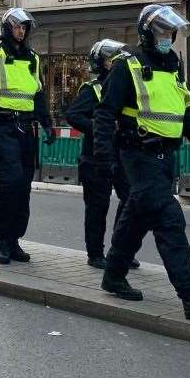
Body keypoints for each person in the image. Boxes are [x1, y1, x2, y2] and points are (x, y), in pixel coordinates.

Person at [93, 5, 190, 320]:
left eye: (171, 32)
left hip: (167, 157)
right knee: (169, 218)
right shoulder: (128, 65)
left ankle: (113, 274)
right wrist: (103, 154)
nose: (168, 38)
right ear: (147, 33)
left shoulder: (172, 67)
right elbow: (105, 112)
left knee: (136, 217)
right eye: (162, 31)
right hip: (138, 153)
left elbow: (186, 114)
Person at [0, 7, 55, 264]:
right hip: (3, 128)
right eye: (17, 26)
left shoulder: (33, 58)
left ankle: (14, 239)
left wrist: (47, 124)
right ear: (7, 28)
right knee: (11, 183)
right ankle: (1, 238)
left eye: (24, 27)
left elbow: (38, 95)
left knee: (24, 188)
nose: (21, 31)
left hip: (27, 130)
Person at [65, 39, 136, 270]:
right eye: (110, 59)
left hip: (122, 155)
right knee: (98, 207)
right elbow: (73, 115)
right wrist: (98, 127)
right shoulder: (92, 89)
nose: (114, 62)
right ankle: (95, 253)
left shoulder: (125, 88)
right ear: (101, 63)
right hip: (95, 157)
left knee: (129, 202)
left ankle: (120, 249)